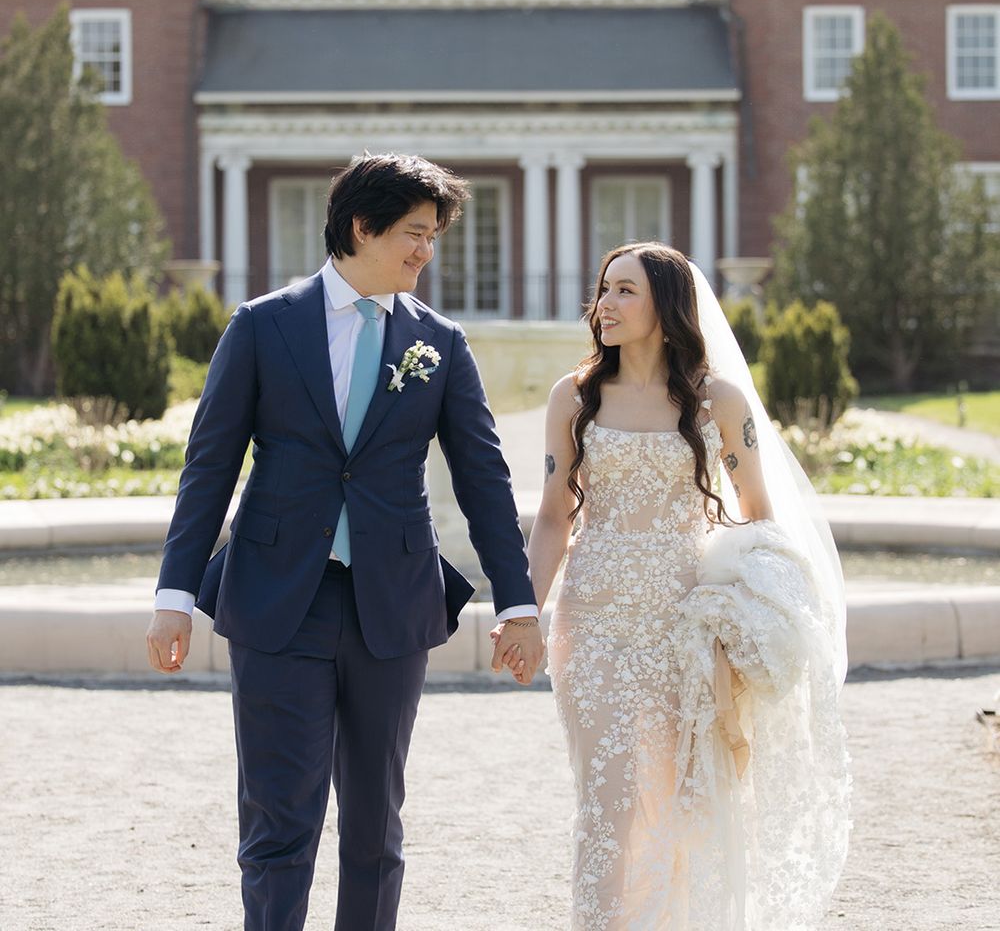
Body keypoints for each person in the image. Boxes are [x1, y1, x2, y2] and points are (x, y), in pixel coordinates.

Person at [145, 153, 544, 931]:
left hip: (391, 610)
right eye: (414, 233)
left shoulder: (442, 344)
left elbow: (485, 483)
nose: (427, 251)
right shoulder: (262, 326)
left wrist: (520, 603)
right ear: (361, 227)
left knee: (375, 830)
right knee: (277, 822)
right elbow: (209, 467)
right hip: (274, 604)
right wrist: (174, 597)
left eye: (433, 235)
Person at [518, 242, 850, 929]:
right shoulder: (573, 396)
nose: (604, 304)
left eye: (625, 291)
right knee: (608, 798)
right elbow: (552, 516)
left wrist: (747, 617)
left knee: (677, 800)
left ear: (666, 308)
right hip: (593, 623)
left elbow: (762, 519)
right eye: (604, 289)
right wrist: (525, 611)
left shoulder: (717, 401)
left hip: (682, 630)